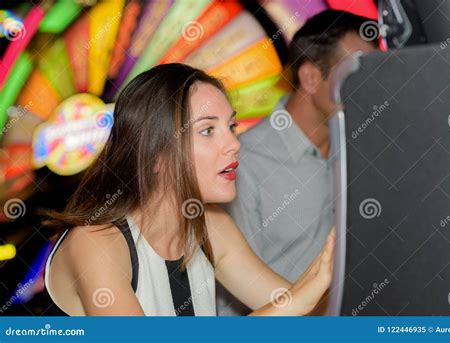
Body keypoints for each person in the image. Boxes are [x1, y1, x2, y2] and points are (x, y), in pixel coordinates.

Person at [43, 63, 335, 316]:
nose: (234, 144)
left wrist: (328, 271)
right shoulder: (96, 243)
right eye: (208, 130)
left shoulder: (211, 224)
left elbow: (293, 308)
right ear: (155, 154)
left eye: (231, 127)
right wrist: (299, 300)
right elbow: (292, 305)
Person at [218, 10, 378, 315]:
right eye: (356, 72)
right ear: (310, 77)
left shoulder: (358, 150)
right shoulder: (245, 163)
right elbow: (233, 301)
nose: (371, 86)